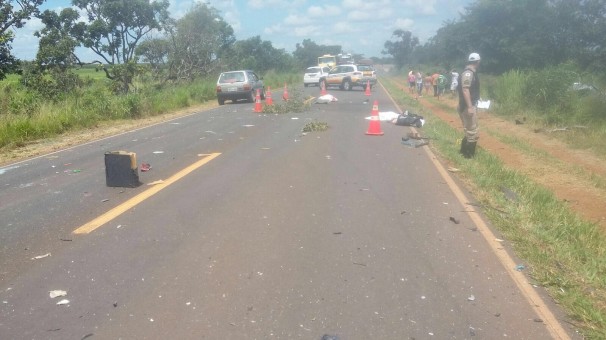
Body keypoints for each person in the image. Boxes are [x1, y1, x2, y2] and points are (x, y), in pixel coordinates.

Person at [457, 53, 481, 158]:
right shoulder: (468, 73)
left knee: (469, 129)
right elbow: (465, 89)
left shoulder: (469, 72)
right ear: (478, 62)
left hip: (466, 105)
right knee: (472, 131)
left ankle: (463, 151)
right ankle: (468, 155)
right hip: (467, 106)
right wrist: (470, 107)